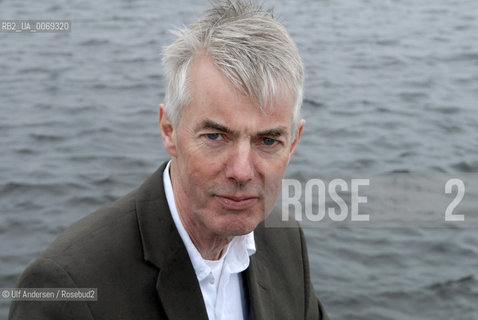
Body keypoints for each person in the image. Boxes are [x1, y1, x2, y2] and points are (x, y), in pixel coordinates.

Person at [9, 1, 328, 319]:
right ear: (168, 130)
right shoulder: (70, 287)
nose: (242, 171)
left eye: (268, 141)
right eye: (215, 137)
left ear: (294, 142)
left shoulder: (286, 243)